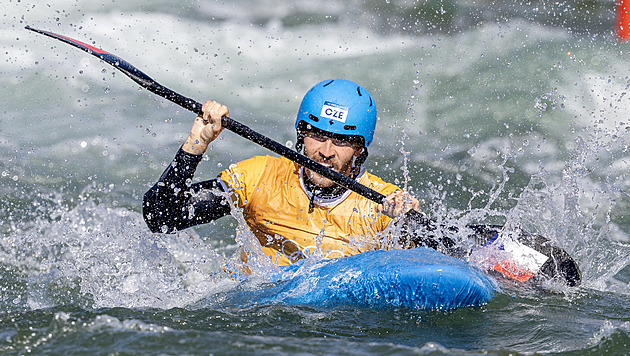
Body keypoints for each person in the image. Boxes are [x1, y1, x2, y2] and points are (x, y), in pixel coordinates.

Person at [143, 79, 420, 267]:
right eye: (317, 135)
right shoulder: (259, 176)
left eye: (341, 141)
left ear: (360, 149)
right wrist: (197, 143)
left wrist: (409, 228)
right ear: (301, 135)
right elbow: (161, 217)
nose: (326, 151)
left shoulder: (383, 206)